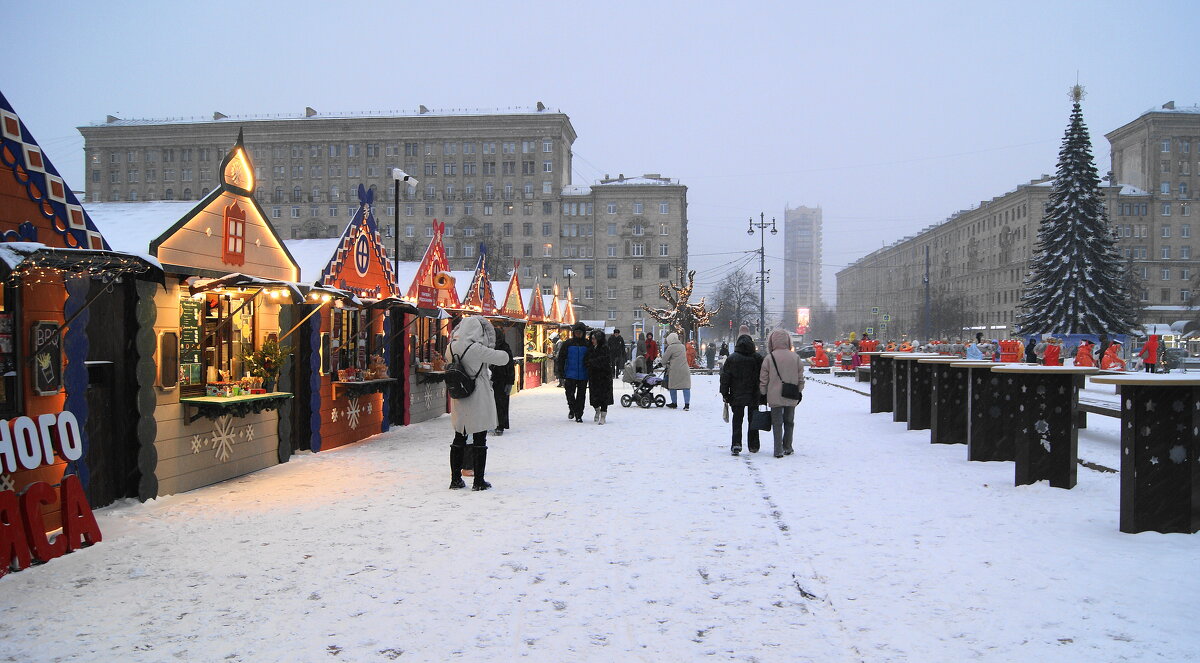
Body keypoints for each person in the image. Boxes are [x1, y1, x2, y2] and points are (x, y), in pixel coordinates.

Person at [447, 316, 512, 491]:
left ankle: (455, 479)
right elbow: (503, 358)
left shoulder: (451, 347)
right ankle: (479, 481)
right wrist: (491, 342)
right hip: (478, 395)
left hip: (460, 395)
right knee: (479, 438)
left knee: (459, 436)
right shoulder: (476, 348)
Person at [759, 329, 805, 458]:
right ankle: (788, 446)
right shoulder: (795, 357)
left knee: (777, 423)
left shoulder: (769, 358)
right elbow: (800, 376)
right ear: (787, 341)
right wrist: (799, 390)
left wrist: (763, 392)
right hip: (791, 393)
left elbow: (764, 378)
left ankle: (778, 449)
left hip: (774, 395)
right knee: (789, 422)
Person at [719, 334, 763, 455]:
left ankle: (736, 444)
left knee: (737, 420)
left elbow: (725, 377)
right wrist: (763, 393)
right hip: (754, 394)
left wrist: (724, 392)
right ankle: (753, 444)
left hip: (736, 394)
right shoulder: (758, 358)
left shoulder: (732, 358)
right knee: (753, 419)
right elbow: (764, 377)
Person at [555, 321, 591, 421]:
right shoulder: (568, 343)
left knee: (581, 396)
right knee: (569, 394)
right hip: (570, 374)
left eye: (580, 332)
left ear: (583, 333)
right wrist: (561, 371)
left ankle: (579, 414)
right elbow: (561, 358)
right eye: (576, 332)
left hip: (583, 374)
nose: (578, 334)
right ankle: (572, 408)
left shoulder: (587, 344)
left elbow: (591, 358)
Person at [586, 329, 614, 424]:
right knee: (594, 396)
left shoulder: (605, 348)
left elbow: (605, 360)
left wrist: (592, 362)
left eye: (594, 339)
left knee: (604, 397)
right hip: (593, 376)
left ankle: (603, 416)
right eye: (591, 339)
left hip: (604, 376)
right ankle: (597, 410)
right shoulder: (590, 348)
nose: (592, 341)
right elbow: (586, 359)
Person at [490, 331, 515, 436]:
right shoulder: (490, 347)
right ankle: (495, 424)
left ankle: (500, 425)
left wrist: (510, 382)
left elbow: (509, 366)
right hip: (493, 379)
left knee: (500, 403)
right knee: (494, 403)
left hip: (501, 380)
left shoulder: (504, 348)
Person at [660, 332, 692, 410]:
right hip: (685, 369)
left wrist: (664, 364)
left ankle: (674, 403)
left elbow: (664, 360)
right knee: (686, 387)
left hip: (675, 370)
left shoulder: (670, 347)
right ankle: (687, 405)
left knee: (673, 387)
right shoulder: (682, 346)